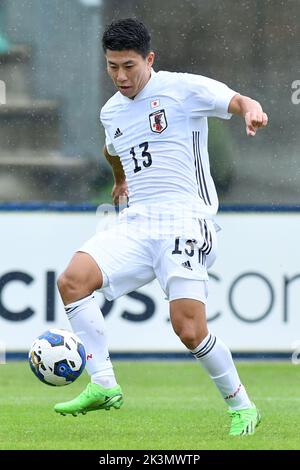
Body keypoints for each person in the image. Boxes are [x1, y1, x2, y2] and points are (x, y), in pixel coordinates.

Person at [54, 18, 268, 436]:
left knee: (189, 330)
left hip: (186, 218)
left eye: (129, 66)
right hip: (137, 222)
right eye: (112, 66)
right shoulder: (111, 110)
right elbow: (112, 146)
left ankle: (242, 406)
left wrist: (252, 109)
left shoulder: (182, 88)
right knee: (72, 281)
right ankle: (103, 384)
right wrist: (118, 178)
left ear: (149, 59)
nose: (120, 76)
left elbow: (237, 99)